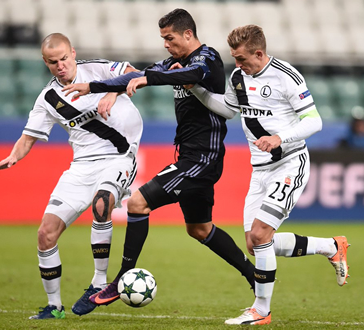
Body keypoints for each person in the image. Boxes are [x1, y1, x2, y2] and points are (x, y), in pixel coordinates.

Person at [62, 8, 256, 309]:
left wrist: (152, 79)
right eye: (163, 38)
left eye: (170, 38)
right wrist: (97, 87)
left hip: (202, 158)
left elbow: (189, 75)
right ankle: (254, 276)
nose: (166, 44)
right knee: (200, 229)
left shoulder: (208, 57)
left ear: (187, 34)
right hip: (192, 156)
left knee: (138, 203)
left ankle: (120, 279)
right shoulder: (172, 63)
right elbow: (139, 74)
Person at [185, 25, 350, 325]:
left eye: (241, 58)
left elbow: (315, 121)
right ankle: (330, 246)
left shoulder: (287, 77)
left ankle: (261, 310)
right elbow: (228, 109)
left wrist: (280, 137)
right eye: (234, 58)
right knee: (255, 243)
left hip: (289, 163)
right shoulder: (239, 78)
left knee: (261, 235)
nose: (237, 65)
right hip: (259, 169)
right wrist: (196, 89)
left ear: (259, 53)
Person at [0, 33, 143, 319]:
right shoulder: (48, 98)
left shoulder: (96, 69)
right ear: (45, 63)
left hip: (119, 157)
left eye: (63, 59)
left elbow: (133, 73)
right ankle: (54, 307)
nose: (60, 66)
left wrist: (112, 91)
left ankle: (98, 283)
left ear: (73, 53)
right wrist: (14, 156)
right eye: (52, 62)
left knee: (102, 202)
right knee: (45, 234)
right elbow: (27, 138)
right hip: (81, 165)